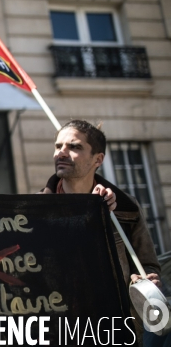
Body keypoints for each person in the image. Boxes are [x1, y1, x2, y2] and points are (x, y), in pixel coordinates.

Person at [41, 120, 161, 343]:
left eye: (74, 147)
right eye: (58, 146)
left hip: (117, 330)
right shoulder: (35, 211)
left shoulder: (126, 207)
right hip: (60, 331)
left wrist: (142, 281)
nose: (62, 153)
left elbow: (148, 265)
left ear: (98, 159)